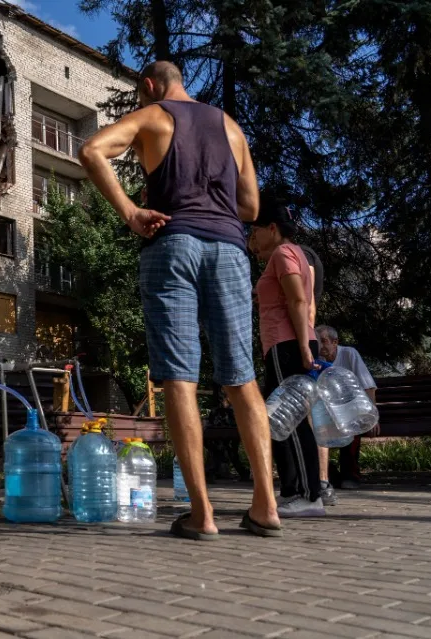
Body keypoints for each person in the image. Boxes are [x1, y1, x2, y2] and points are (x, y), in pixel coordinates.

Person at [78, 60, 282, 539]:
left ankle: (203, 515)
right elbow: (251, 206)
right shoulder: (230, 127)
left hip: (173, 245)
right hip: (230, 251)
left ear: (149, 86)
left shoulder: (154, 117)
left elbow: (91, 150)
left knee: (179, 378)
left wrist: (130, 211)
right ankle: (266, 506)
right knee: (241, 378)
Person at [251, 203, 325, 517]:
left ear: (272, 228)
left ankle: (311, 497)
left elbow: (297, 299)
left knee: (291, 421)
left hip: (288, 344)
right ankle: (294, 490)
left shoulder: (283, 254)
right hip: (285, 345)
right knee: (278, 420)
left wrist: (305, 349)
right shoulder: (291, 254)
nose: (251, 238)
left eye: (255, 231)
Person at [316, 325, 378, 489]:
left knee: (352, 427)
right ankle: (329, 475)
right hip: (328, 412)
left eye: (324, 341)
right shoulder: (315, 361)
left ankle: (350, 475)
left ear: (335, 342)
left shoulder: (349, 354)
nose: (321, 347)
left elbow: (368, 386)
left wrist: (372, 417)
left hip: (351, 409)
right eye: (317, 342)